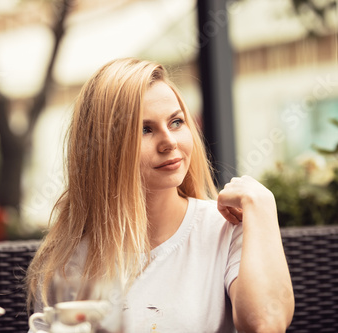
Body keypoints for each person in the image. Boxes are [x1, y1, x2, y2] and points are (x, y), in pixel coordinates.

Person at [26, 58, 294, 332]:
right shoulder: (67, 261)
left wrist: (261, 204)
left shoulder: (227, 228)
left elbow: (265, 323)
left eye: (176, 122)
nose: (169, 142)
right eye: (145, 129)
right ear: (105, 149)